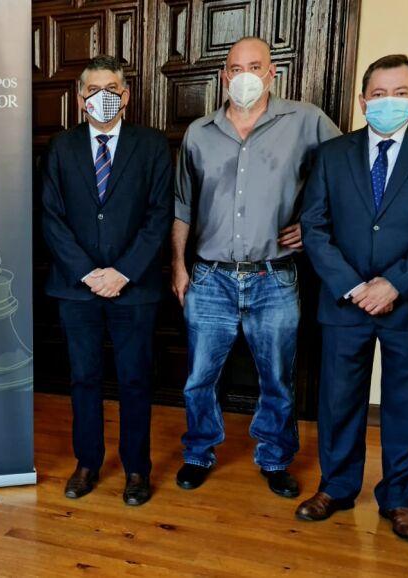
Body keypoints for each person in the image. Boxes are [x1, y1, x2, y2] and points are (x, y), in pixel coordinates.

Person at [297, 55, 408, 543]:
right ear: (362, 101)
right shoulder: (333, 154)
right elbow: (314, 225)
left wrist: (395, 283)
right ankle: (336, 487)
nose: (388, 102)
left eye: (400, 93)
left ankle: (398, 500)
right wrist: (354, 287)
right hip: (345, 303)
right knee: (338, 400)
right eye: (378, 94)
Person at [171, 37, 340, 497]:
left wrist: (313, 224)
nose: (244, 75)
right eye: (235, 68)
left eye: (254, 66)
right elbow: (183, 205)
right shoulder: (199, 133)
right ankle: (198, 452)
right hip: (210, 277)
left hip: (274, 277)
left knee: (277, 379)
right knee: (199, 379)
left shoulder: (306, 121)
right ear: (223, 75)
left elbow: (347, 174)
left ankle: (275, 458)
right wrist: (178, 266)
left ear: (271, 73)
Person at [41, 54, 174, 507]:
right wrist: (87, 273)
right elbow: (52, 217)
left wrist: (122, 272)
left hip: (132, 287)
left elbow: (159, 215)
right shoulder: (61, 147)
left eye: (111, 90)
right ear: (80, 99)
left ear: (126, 95)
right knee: (84, 379)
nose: (102, 97)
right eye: (93, 91)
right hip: (75, 288)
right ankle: (87, 462)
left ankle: (137, 468)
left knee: (135, 380)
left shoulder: (151, 144)